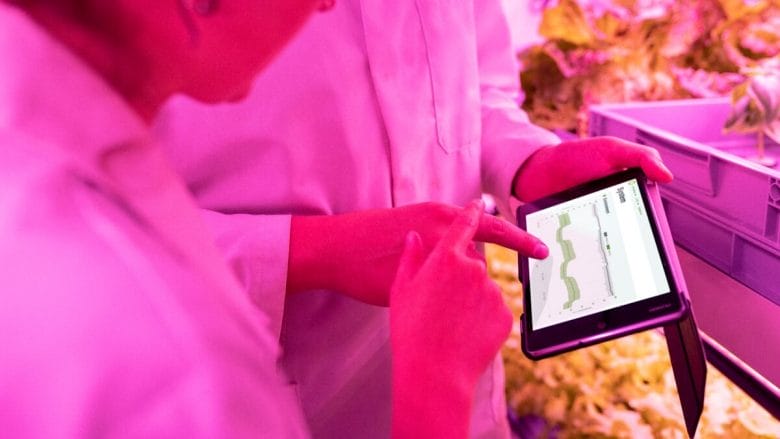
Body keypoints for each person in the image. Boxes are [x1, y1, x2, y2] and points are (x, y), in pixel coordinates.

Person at [154, 0, 674, 438]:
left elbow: (476, 89)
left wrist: (527, 161)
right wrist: (310, 249)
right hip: (260, 382)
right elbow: (90, 246)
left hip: (458, 382)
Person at [0, 1, 517, 437]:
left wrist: (524, 159)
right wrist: (437, 386)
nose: (326, 6)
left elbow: (476, 83)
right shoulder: (178, 361)